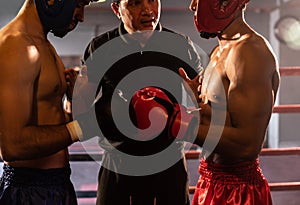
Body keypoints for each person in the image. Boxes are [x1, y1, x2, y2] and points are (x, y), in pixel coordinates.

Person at [81, 0, 203, 204]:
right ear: (116, 9)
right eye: (135, 3)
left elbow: (203, 103)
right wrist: (72, 92)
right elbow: (80, 108)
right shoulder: (101, 47)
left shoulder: (180, 45)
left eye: (153, 0)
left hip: (168, 163)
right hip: (118, 164)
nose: (148, 10)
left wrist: (200, 96)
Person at [0, 0, 100, 204]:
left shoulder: (42, 43)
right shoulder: (17, 45)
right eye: (79, 4)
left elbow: (51, 124)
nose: (81, 17)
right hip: (29, 191)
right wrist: (83, 127)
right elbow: (14, 144)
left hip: (56, 184)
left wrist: (72, 99)